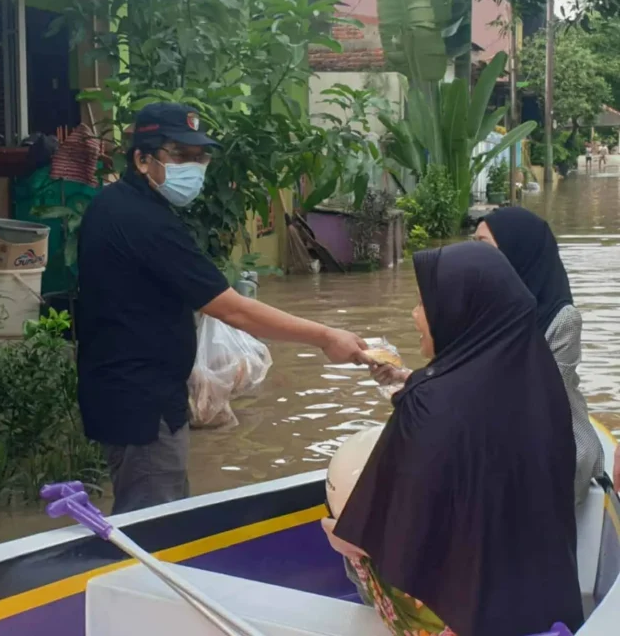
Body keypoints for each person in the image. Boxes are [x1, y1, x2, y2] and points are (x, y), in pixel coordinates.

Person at [77, 102, 369, 515]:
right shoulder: (144, 222)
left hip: (132, 393)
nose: (194, 166)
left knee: (165, 514)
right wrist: (326, 337)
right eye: (179, 155)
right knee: (154, 528)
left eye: (200, 157)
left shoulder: (116, 205)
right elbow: (234, 310)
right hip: (141, 404)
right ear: (142, 160)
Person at [323, 241, 584, 636]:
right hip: (540, 601)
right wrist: (409, 381)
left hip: (463, 617)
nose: (415, 316)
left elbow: (394, 525)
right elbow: (474, 411)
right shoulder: (539, 378)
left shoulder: (428, 405)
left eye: (426, 304)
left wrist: (345, 531)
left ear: (462, 312)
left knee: (344, 526)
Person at [474, 207, 604, 505]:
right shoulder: (484, 307)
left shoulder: (561, 318)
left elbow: (540, 400)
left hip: (552, 448)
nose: (475, 255)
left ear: (517, 250)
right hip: (493, 434)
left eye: (484, 246)